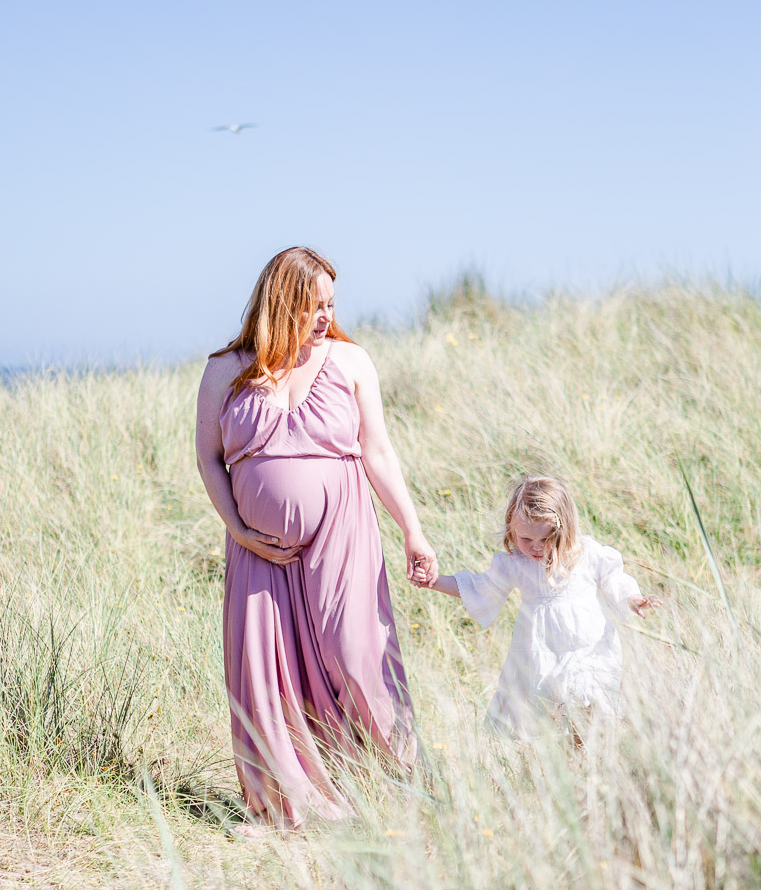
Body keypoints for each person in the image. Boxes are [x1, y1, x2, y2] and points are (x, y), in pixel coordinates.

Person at [196, 247, 437, 828]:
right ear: (282, 305)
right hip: (257, 548)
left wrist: (414, 531)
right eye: (313, 306)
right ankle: (285, 805)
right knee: (265, 673)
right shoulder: (227, 370)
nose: (325, 315)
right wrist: (240, 531)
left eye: (332, 303)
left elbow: (378, 452)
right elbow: (208, 460)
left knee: (359, 656)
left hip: (344, 531)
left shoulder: (351, 362)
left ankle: (407, 786)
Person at [412, 476, 660, 739]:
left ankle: (593, 763)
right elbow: (480, 587)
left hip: (587, 649)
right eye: (526, 538)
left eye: (546, 538)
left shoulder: (586, 553)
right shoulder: (516, 563)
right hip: (541, 652)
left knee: (590, 713)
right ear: (512, 530)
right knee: (548, 720)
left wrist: (632, 598)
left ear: (565, 529)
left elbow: (612, 578)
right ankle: (560, 766)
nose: (536, 547)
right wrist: (435, 582)